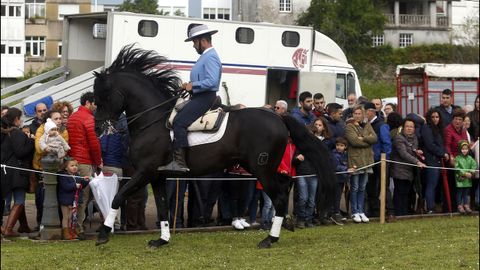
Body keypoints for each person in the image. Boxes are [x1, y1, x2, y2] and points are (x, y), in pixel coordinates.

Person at [157, 24, 221, 173]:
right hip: (199, 96)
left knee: (179, 122)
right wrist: (188, 86)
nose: (193, 45)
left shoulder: (210, 56)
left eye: (194, 42)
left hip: (205, 98)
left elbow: (212, 82)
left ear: (202, 40)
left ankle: (180, 163)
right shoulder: (205, 56)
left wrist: (193, 86)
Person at [67, 91, 102, 239]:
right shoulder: (89, 118)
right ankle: (78, 229)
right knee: (83, 198)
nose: (96, 106)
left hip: (73, 160)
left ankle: (71, 227)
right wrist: (98, 160)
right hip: (84, 161)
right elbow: (94, 143)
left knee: (75, 197)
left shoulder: (72, 117)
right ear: (88, 103)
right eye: (95, 103)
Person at [1, 108, 35, 237]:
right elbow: (21, 152)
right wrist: (31, 141)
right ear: (16, 119)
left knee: (16, 199)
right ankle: (8, 229)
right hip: (17, 171)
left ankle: (24, 225)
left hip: (7, 171)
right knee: (20, 199)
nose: (21, 121)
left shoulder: (5, 133)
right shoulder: (18, 134)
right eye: (20, 118)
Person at [33, 109, 67, 231]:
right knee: (42, 197)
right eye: (56, 119)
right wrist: (49, 148)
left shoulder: (63, 131)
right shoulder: (42, 130)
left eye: (60, 118)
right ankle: (41, 223)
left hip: (57, 166)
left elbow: (65, 146)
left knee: (57, 195)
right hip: (42, 167)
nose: (59, 121)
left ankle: (56, 223)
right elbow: (38, 147)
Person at [344, 105, 377, 223]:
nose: (357, 115)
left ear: (363, 114)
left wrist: (362, 137)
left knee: (363, 187)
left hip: (367, 160)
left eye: (359, 113)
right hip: (355, 161)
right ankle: (354, 211)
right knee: (355, 187)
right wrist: (367, 140)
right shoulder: (349, 126)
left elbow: (374, 138)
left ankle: (361, 210)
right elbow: (354, 141)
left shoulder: (367, 125)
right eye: (355, 113)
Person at [390, 118, 426, 216]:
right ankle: (399, 213)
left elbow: (411, 149)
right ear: (403, 127)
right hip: (399, 169)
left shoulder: (415, 138)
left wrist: (416, 152)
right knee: (399, 192)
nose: (409, 128)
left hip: (409, 170)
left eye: (411, 127)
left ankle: (404, 213)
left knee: (406, 192)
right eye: (407, 126)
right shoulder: (398, 138)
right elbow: (403, 153)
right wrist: (417, 161)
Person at [364, 102, 391, 217]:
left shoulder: (381, 125)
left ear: (370, 111)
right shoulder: (367, 125)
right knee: (371, 187)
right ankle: (374, 211)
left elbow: (386, 143)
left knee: (384, 187)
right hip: (371, 160)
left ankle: (390, 211)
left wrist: (384, 159)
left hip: (381, 160)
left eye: (365, 111)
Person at [421, 108, 449, 214]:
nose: (435, 119)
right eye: (433, 117)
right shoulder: (426, 128)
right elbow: (430, 145)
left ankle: (434, 205)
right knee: (431, 184)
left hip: (437, 160)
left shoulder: (438, 129)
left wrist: (445, 153)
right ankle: (430, 207)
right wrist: (443, 153)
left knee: (435, 184)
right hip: (431, 160)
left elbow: (441, 144)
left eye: (437, 117)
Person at [57, 157, 90, 240]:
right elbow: (65, 186)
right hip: (65, 200)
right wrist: (74, 185)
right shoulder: (63, 176)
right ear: (66, 167)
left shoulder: (77, 175)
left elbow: (81, 186)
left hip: (74, 201)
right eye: (72, 165)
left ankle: (72, 231)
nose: (75, 167)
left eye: (76, 165)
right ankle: (65, 232)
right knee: (66, 217)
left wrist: (85, 181)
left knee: (72, 217)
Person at [330, 137, 353, 225]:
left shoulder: (345, 154)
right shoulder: (333, 154)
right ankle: (335, 214)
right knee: (336, 197)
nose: (339, 147)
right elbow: (336, 167)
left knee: (338, 197)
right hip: (335, 179)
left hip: (342, 179)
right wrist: (347, 169)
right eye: (337, 145)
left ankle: (336, 213)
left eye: (341, 145)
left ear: (345, 147)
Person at [454, 140, 477, 214]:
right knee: (459, 192)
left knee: (466, 193)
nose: (464, 150)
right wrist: (464, 173)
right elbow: (457, 168)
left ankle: (466, 205)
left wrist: (471, 172)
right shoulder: (457, 158)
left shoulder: (470, 158)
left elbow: (474, 165)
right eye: (463, 149)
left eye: (466, 149)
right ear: (460, 149)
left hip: (467, 179)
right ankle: (459, 205)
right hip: (460, 179)